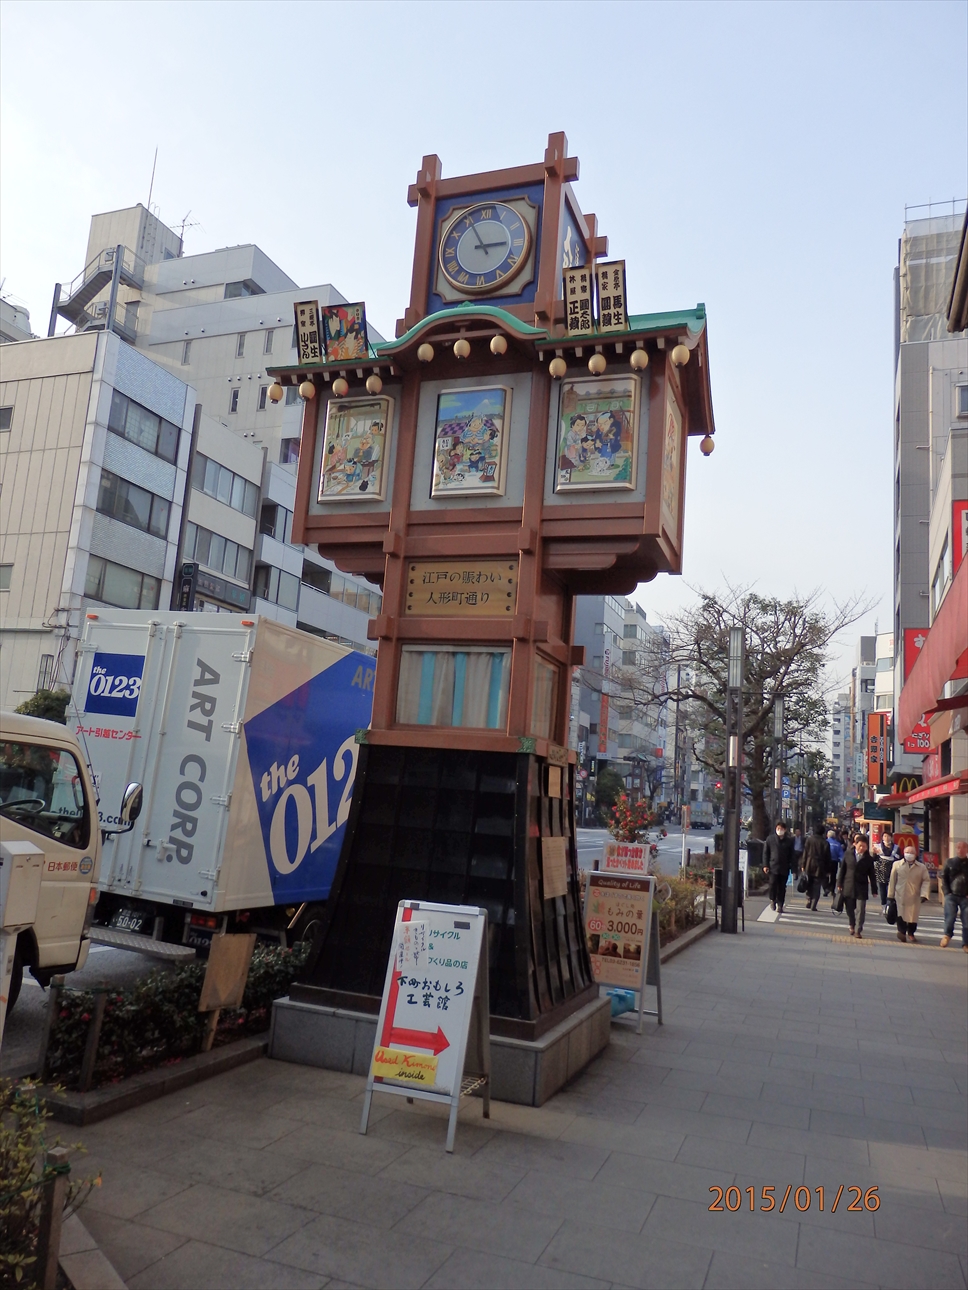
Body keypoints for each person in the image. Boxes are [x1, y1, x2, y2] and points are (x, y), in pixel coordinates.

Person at [888, 846, 931, 944]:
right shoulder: (897, 865)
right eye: (907, 852)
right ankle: (901, 932)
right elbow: (892, 880)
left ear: (915, 854)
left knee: (912, 917)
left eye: (911, 852)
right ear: (903, 853)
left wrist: (924, 894)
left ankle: (911, 932)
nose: (909, 854)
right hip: (900, 894)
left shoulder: (921, 867)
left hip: (914, 896)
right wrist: (890, 896)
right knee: (900, 914)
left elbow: (926, 881)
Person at [836, 834, 877, 938]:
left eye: (864, 846)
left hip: (861, 886)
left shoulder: (868, 859)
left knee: (861, 909)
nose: (862, 848)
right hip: (848, 885)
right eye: (860, 845)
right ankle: (852, 924)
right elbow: (842, 869)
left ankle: (858, 930)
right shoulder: (848, 854)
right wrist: (839, 883)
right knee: (849, 908)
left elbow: (872, 874)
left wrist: (874, 889)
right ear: (855, 844)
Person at [940, 840, 968, 950]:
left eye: (963, 847)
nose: (960, 850)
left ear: (966, 850)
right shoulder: (949, 862)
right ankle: (947, 935)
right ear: (956, 849)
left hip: (965, 896)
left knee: (967, 919)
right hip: (951, 894)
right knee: (950, 916)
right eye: (958, 847)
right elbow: (944, 877)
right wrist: (947, 892)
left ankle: (966, 943)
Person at [763, 821, 796, 914]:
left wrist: (793, 869)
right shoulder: (770, 839)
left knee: (782, 887)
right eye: (778, 829)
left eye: (781, 829)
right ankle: (772, 899)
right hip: (773, 867)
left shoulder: (789, 841)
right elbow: (766, 853)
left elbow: (792, 855)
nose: (779, 830)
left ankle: (780, 904)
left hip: (784, 868)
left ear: (785, 830)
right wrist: (765, 865)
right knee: (772, 884)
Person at [801, 826, 830, 910]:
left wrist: (803, 864)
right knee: (817, 886)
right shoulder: (825, 843)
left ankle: (809, 899)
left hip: (809, 864)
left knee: (808, 883)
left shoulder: (809, 840)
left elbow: (805, 853)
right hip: (820, 866)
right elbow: (828, 858)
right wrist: (828, 870)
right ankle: (814, 904)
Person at [872, 831, 900, 909]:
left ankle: (889, 903)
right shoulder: (877, 846)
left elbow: (899, 858)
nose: (886, 838)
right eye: (884, 836)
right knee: (882, 887)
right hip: (881, 868)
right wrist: (874, 853)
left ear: (891, 837)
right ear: (882, 837)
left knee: (891, 886)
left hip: (891, 868)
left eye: (888, 836)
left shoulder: (896, 847)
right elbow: (874, 859)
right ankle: (883, 904)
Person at [825, 830, 843, 897]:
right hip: (834, 862)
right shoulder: (837, 844)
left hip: (826, 861)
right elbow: (841, 855)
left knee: (826, 875)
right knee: (833, 876)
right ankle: (832, 890)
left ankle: (826, 888)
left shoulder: (825, 842)